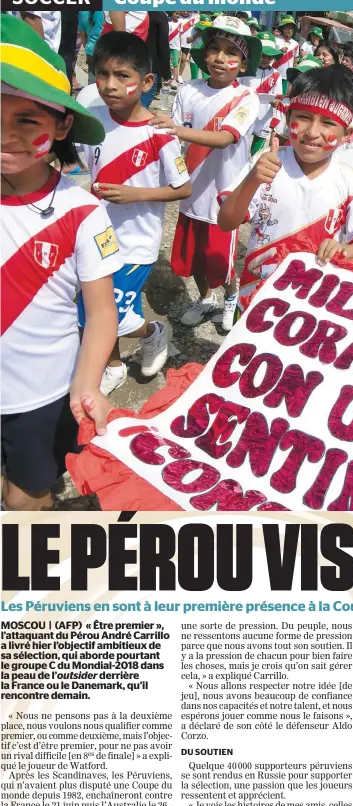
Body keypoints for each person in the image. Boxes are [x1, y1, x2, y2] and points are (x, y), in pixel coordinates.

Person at [0, 15, 120, 510]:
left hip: (39, 397)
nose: (4, 135)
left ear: (63, 123)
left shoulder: (84, 213)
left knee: (27, 496)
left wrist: (86, 382)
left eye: (26, 120)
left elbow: (102, 312)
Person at [77, 32, 192, 395]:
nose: (110, 85)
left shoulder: (160, 132)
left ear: (145, 82)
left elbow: (183, 188)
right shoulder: (92, 116)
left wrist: (135, 194)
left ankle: (153, 331)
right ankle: (112, 366)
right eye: (102, 74)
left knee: (112, 316)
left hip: (136, 242)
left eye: (122, 76)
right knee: (90, 312)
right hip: (94, 236)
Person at [218, 65, 353, 309]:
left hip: (313, 307)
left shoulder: (351, 182)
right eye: (303, 117)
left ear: (346, 134)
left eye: (327, 123)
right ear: (288, 118)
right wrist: (252, 180)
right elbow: (226, 222)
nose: (312, 132)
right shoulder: (266, 164)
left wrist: (343, 250)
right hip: (255, 298)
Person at [150, 16, 261, 330]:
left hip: (223, 195)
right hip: (191, 191)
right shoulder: (189, 90)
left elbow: (226, 138)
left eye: (231, 53)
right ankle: (206, 298)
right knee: (195, 257)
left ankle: (229, 296)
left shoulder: (245, 98)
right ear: (204, 54)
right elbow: (172, 135)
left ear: (242, 62)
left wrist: (177, 131)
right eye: (215, 49)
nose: (221, 59)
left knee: (219, 260)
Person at [241, 31, 283, 156]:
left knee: (257, 147)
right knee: (242, 143)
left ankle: (252, 164)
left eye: (269, 56)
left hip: (265, 115)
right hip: (245, 112)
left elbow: (279, 96)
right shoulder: (245, 69)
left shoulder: (276, 75)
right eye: (263, 55)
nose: (265, 59)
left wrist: (276, 102)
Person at [274, 14, 299, 94]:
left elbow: (295, 61)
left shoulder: (295, 44)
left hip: (286, 77)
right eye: (287, 28)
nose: (290, 30)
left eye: (291, 28)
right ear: (282, 28)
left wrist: (294, 77)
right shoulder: (275, 40)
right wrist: (279, 52)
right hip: (274, 73)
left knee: (282, 98)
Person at [78, 11, 105, 83]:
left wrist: (87, 47)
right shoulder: (104, 11)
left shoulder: (82, 12)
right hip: (105, 50)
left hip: (90, 50)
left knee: (92, 79)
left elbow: (83, 35)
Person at [168, 12, 182, 87]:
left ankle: (174, 80)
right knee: (167, 62)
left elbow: (180, 36)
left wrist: (180, 48)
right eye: (176, 13)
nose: (177, 15)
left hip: (176, 47)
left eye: (179, 14)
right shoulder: (168, 22)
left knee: (175, 63)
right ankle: (167, 77)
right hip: (168, 45)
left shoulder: (180, 23)